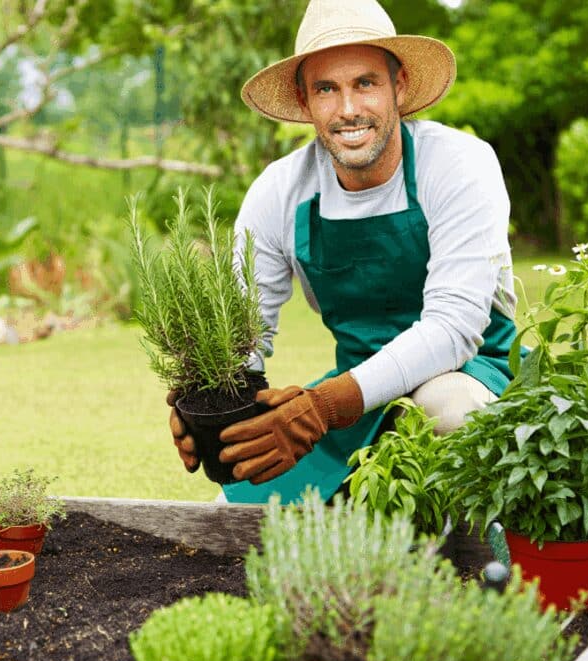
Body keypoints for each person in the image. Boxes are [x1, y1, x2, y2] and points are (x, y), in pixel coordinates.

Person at [168, 0, 518, 504]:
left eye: (365, 83)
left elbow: (453, 328)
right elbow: (241, 330)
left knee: (445, 410)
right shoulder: (281, 191)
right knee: (235, 509)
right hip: (355, 398)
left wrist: (325, 406)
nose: (348, 108)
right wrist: (207, 400)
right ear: (304, 100)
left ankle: (476, 541)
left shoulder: (458, 164)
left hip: (474, 374)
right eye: (326, 89)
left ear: (399, 86)